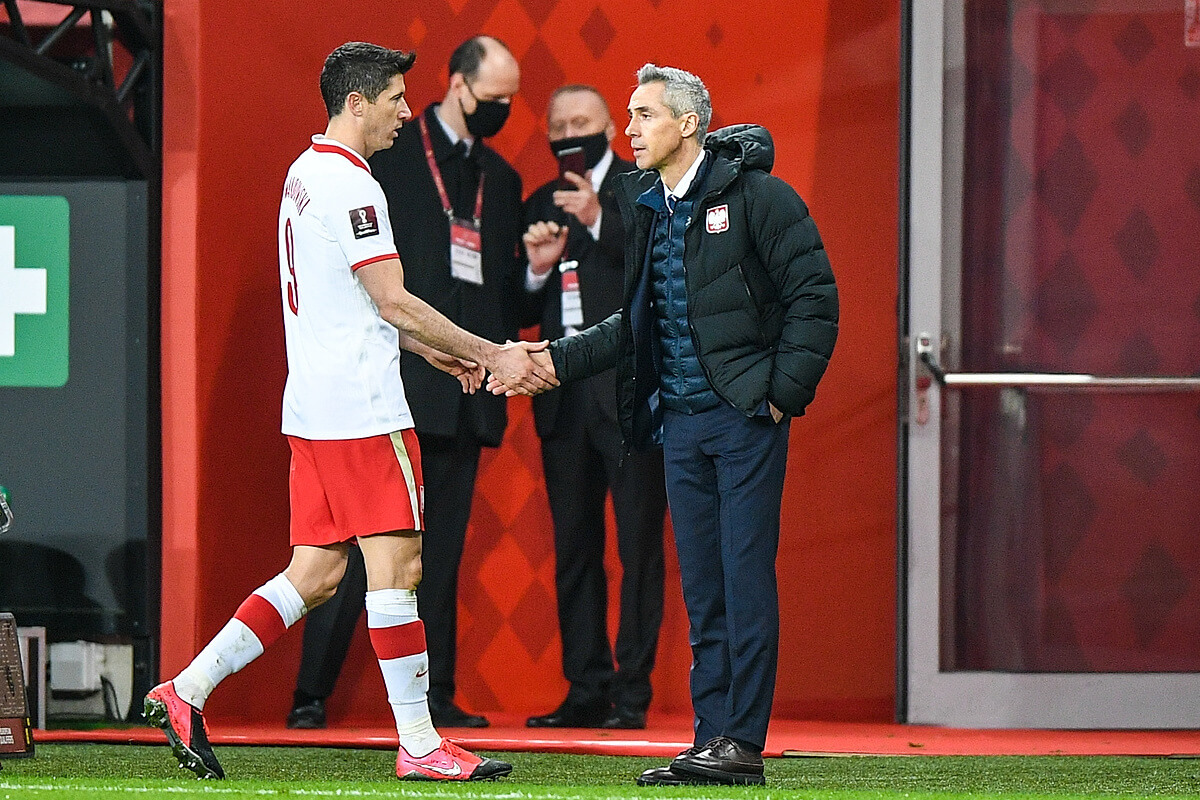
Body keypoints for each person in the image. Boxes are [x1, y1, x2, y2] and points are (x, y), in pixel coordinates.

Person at [144, 41, 556, 782]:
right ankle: (423, 744)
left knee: (316, 574)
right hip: (364, 409)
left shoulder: (304, 174)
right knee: (400, 567)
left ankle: (188, 687)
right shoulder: (354, 186)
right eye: (396, 99)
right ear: (357, 103)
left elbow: (357, 301)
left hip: (311, 407)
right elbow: (392, 297)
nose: (406, 111)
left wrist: (437, 352)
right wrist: (494, 353)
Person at [506, 64, 838, 786]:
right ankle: (710, 737)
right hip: (680, 428)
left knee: (743, 578)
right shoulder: (646, 206)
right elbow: (632, 325)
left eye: (644, 115)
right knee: (704, 591)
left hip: (744, 418)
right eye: (628, 115)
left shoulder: (760, 198)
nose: (629, 129)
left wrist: (779, 395)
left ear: (688, 124)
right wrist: (550, 358)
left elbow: (815, 297)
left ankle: (741, 742)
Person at [362, 35, 526, 730]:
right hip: (396, 384)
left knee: (446, 555)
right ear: (458, 85)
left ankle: (437, 695)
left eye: (513, 101)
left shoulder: (503, 179)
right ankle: (311, 696)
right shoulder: (394, 157)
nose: (504, 110)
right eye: (495, 99)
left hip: (469, 397)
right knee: (366, 549)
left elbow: (509, 289)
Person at [520, 85, 668, 730]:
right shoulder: (538, 204)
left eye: (581, 122)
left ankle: (632, 695)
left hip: (631, 401)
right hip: (562, 404)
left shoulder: (644, 193)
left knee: (639, 549)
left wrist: (600, 222)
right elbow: (518, 308)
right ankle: (586, 688)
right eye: (558, 126)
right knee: (575, 549)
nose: (568, 135)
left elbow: (661, 278)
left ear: (611, 126)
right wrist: (535, 268)